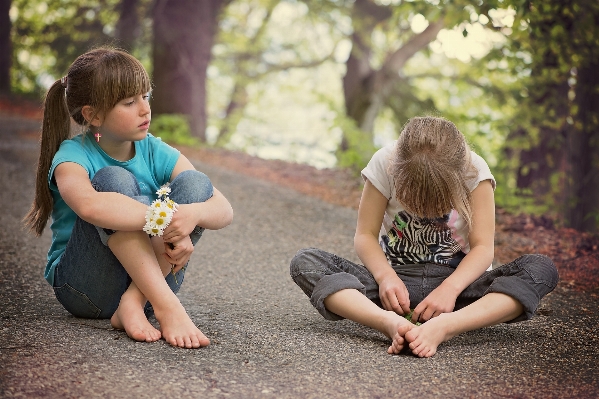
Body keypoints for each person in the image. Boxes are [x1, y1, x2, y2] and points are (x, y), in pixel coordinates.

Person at [290, 116, 558, 357]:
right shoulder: (385, 162)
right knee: (306, 262)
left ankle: (445, 327)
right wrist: (385, 277)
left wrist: (450, 290)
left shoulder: (475, 171)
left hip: (461, 289)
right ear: (398, 170)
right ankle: (387, 322)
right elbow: (365, 235)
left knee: (541, 269)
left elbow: (483, 248)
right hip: (394, 288)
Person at [24, 47, 233, 349]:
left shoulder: (153, 149)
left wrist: (192, 216)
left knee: (195, 183)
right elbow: (90, 206)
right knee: (113, 180)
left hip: (149, 286)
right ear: (92, 114)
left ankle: (133, 303)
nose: (145, 109)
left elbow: (223, 208)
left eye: (145, 97)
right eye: (129, 102)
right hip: (87, 289)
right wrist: (166, 220)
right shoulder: (72, 156)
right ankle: (168, 307)